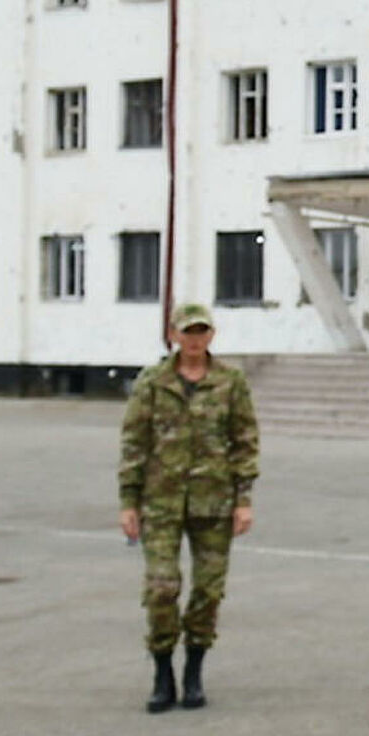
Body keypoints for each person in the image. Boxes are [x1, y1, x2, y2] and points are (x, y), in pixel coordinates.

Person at [118, 303, 259, 714]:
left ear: (211, 336)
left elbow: (245, 440)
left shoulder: (230, 382)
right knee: (162, 588)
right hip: (160, 502)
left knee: (208, 592)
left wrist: (244, 500)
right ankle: (163, 672)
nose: (195, 340)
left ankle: (194, 671)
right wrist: (129, 502)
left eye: (202, 332)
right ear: (174, 335)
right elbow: (134, 443)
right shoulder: (152, 382)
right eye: (188, 332)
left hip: (214, 503)